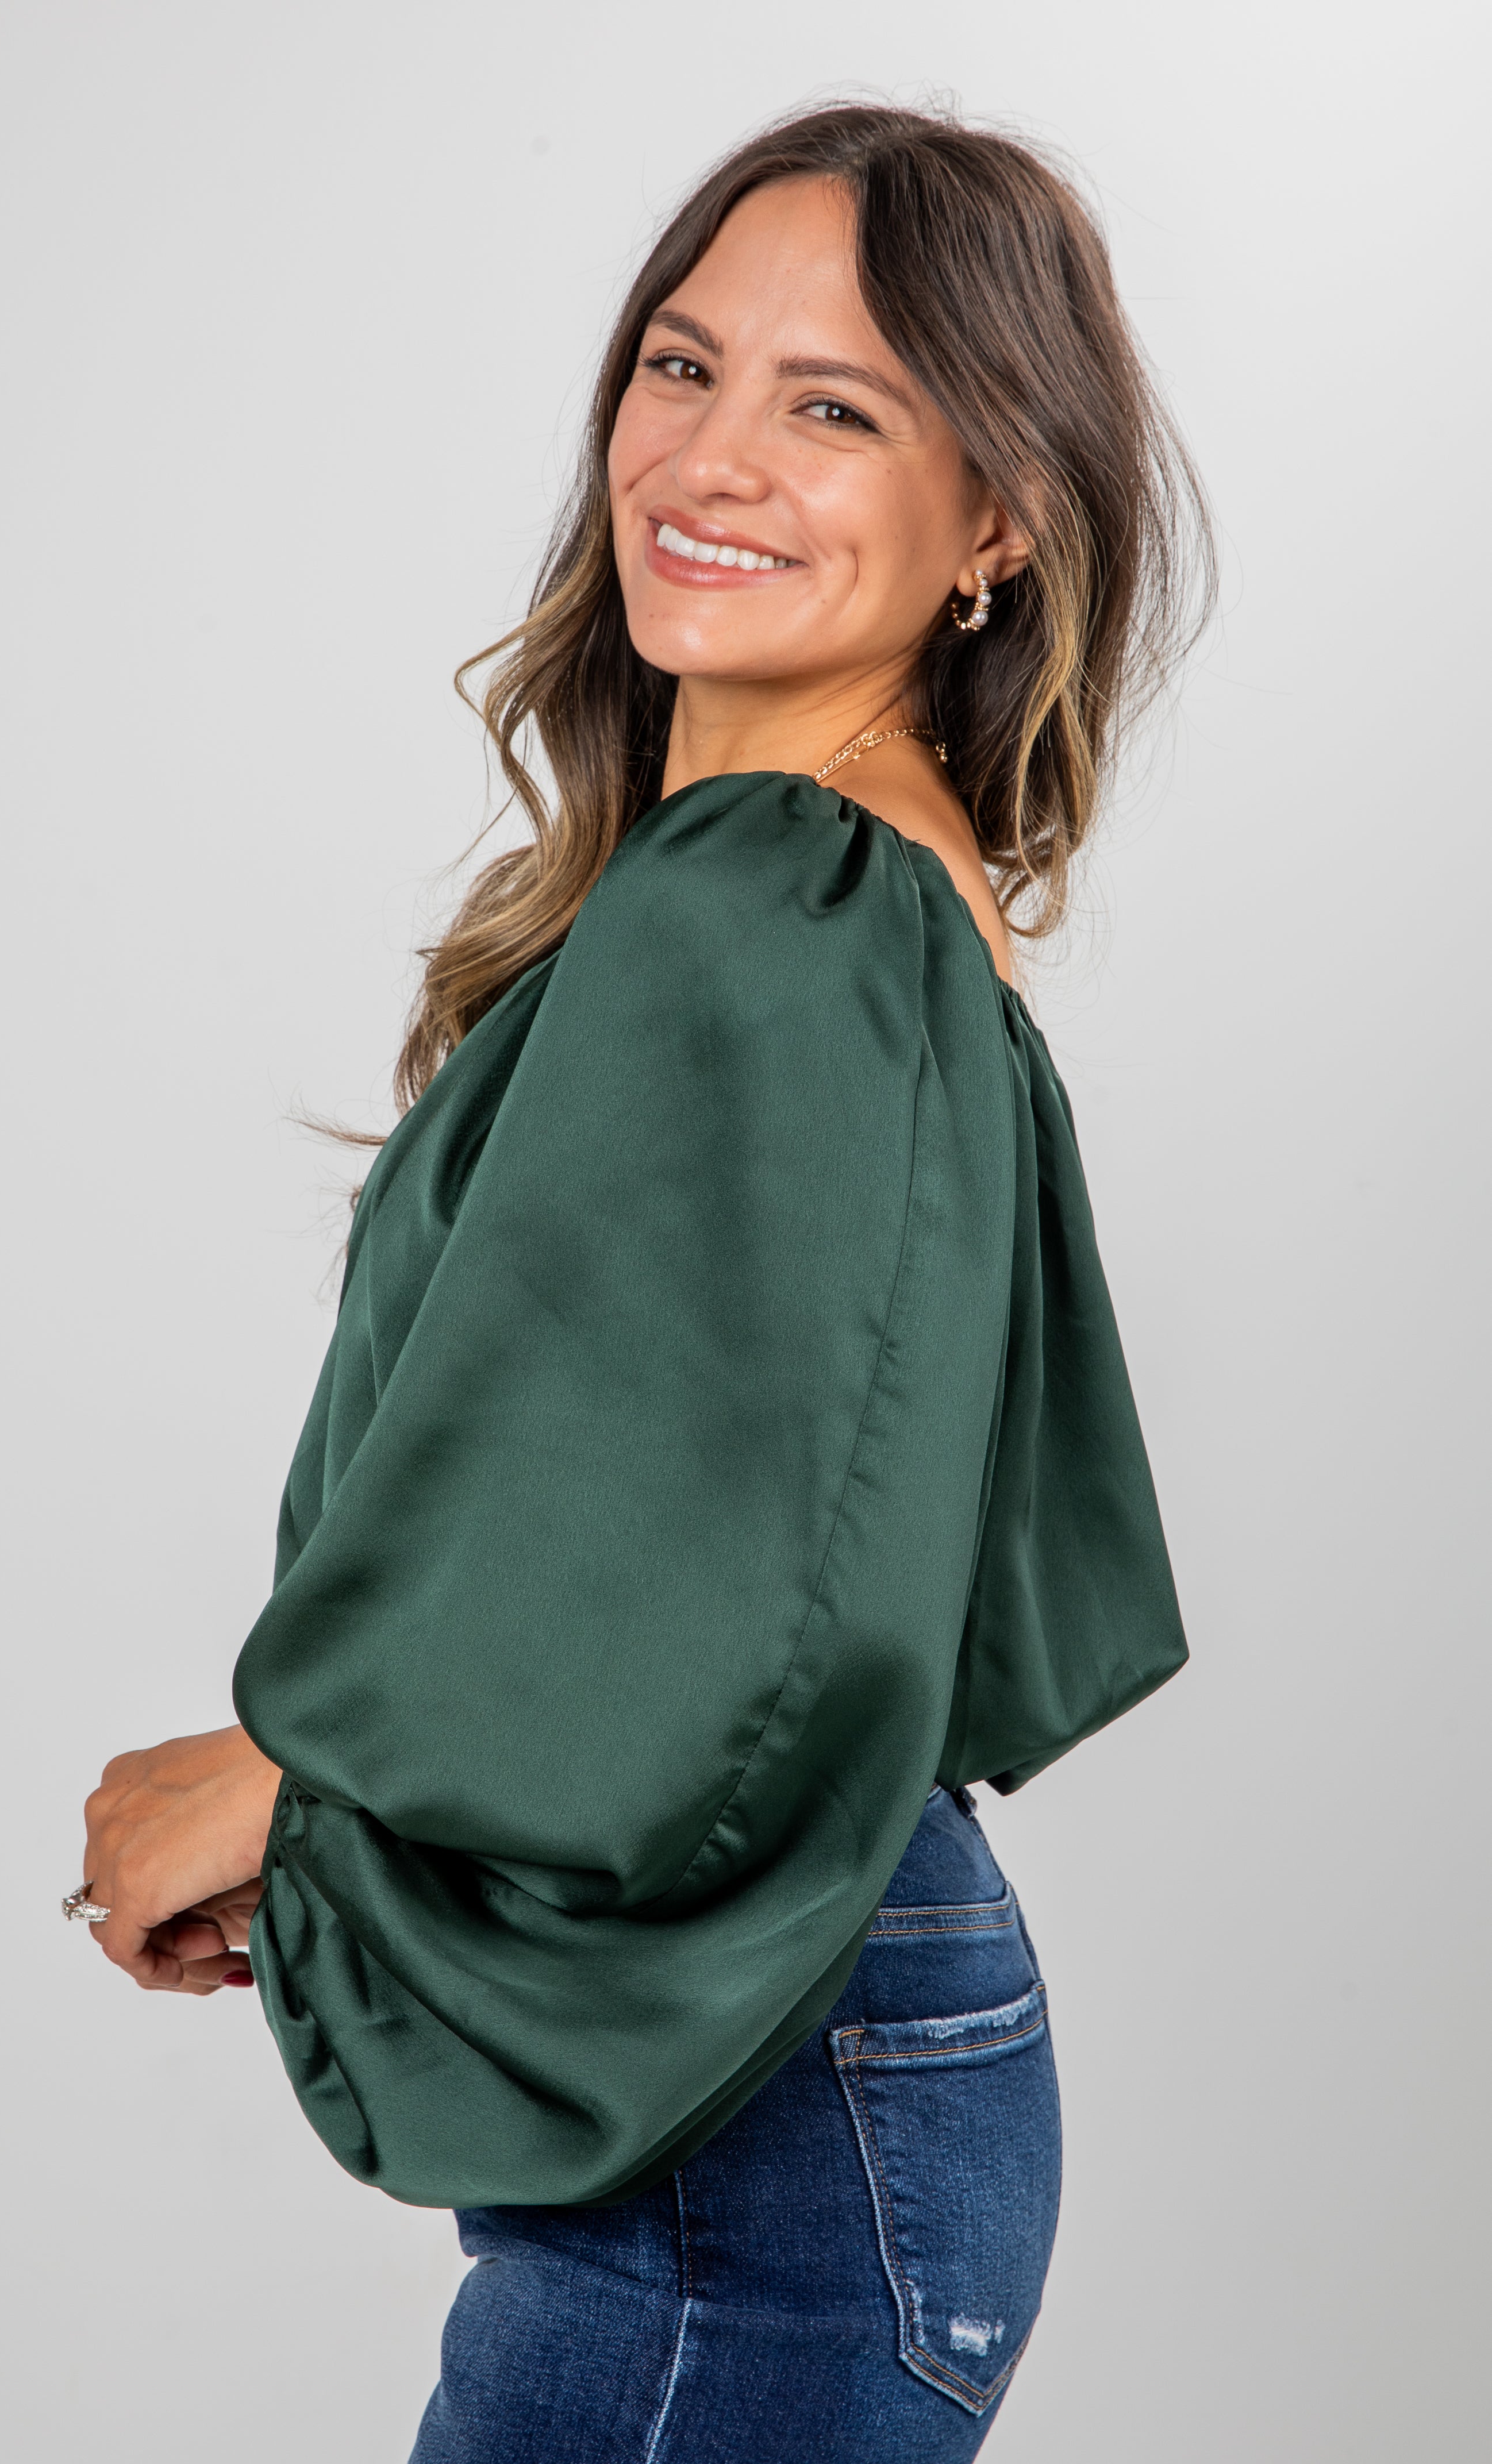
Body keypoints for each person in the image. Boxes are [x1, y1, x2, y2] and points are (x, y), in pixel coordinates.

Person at [72, 104, 1212, 2462]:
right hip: (803, 2063)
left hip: (767, 2132)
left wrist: (297, 1781)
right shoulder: (837, 886)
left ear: (994, 517)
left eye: (836, 407)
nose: (711, 456)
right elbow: (747, 1503)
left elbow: (732, 1592)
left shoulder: (783, 897)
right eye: (681, 367)